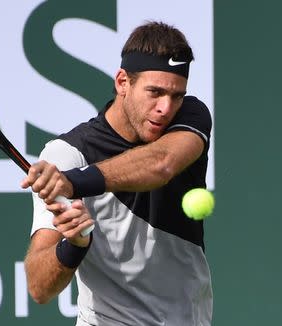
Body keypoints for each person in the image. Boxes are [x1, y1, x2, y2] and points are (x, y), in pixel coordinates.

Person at [21, 21, 213, 326]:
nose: (165, 107)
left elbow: (161, 163)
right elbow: (39, 288)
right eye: (155, 92)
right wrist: (73, 244)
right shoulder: (66, 154)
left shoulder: (191, 117)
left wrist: (74, 181)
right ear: (123, 82)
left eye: (176, 95)